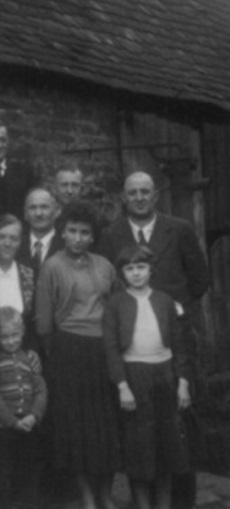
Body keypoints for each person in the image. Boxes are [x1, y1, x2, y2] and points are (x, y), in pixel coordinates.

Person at [97, 170, 209, 509]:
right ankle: (143, 501)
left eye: (145, 191)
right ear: (124, 197)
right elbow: (109, 282)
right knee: (141, 431)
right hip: (134, 348)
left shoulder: (180, 229)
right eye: (133, 192)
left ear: (156, 196)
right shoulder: (112, 234)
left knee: (178, 420)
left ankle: (182, 500)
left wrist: (174, 308)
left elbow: (199, 278)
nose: (139, 197)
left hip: (172, 338)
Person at [35, 201, 120, 509]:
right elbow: (44, 321)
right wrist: (57, 353)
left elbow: (116, 308)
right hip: (68, 351)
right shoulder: (52, 266)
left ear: (93, 236)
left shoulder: (105, 265)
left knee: (105, 424)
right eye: (72, 231)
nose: (78, 238)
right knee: (77, 426)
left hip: (103, 351)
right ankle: (87, 496)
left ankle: (106, 494)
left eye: (85, 232)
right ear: (63, 232)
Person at [103, 245, 191, 509]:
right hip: (135, 376)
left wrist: (183, 383)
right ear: (122, 273)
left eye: (141, 267)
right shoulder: (116, 303)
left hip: (164, 375)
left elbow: (180, 345)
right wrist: (122, 386)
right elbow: (111, 348)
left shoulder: (165, 301)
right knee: (139, 447)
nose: (136, 273)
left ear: (151, 269)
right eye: (129, 268)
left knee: (166, 446)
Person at [0, 306, 47, 509]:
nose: (10, 341)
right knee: (3, 473)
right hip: (3, 428)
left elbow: (40, 390)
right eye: (4, 337)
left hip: (28, 424)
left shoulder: (30, 358)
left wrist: (34, 415)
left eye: (15, 335)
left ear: (22, 333)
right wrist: (12, 422)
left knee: (29, 470)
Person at [0, 215, 36, 348]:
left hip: (20, 351)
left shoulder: (28, 274)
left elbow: (33, 320)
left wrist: (31, 350)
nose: (7, 243)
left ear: (20, 242)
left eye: (13, 238)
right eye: (1, 237)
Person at [18, 187, 64, 277]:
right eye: (32, 208)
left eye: (44, 207)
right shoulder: (16, 245)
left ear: (57, 211)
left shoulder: (66, 245)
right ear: (25, 214)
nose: (38, 213)